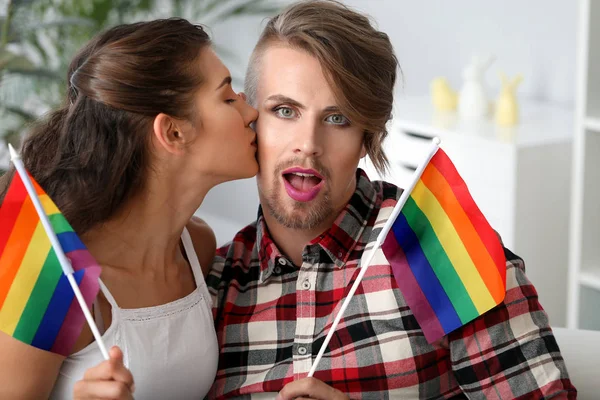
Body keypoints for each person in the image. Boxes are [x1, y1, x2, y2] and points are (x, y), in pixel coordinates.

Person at [207, 1, 577, 399]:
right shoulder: (212, 284)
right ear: (250, 121)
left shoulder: (443, 248)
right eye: (284, 110)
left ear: (368, 137)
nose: (308, 145)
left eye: (337, 119)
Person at [0, 18, 259, 399]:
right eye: (227, 98)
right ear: (172, 132)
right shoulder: (50, 276)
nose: (250, 112)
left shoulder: (198, 248)